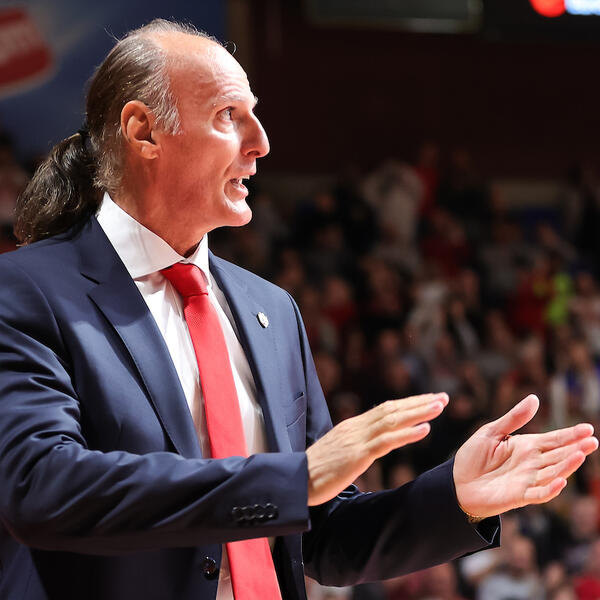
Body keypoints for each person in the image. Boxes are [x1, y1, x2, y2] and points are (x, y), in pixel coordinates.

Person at [0, 19, 597, 600]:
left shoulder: (271, 309)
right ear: (144, 131)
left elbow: (324, 535)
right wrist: (294, 479)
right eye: (228, 116)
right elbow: (42, 487)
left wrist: (456, 497)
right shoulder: (25, 290)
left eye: (255, 114)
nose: (261, 142)